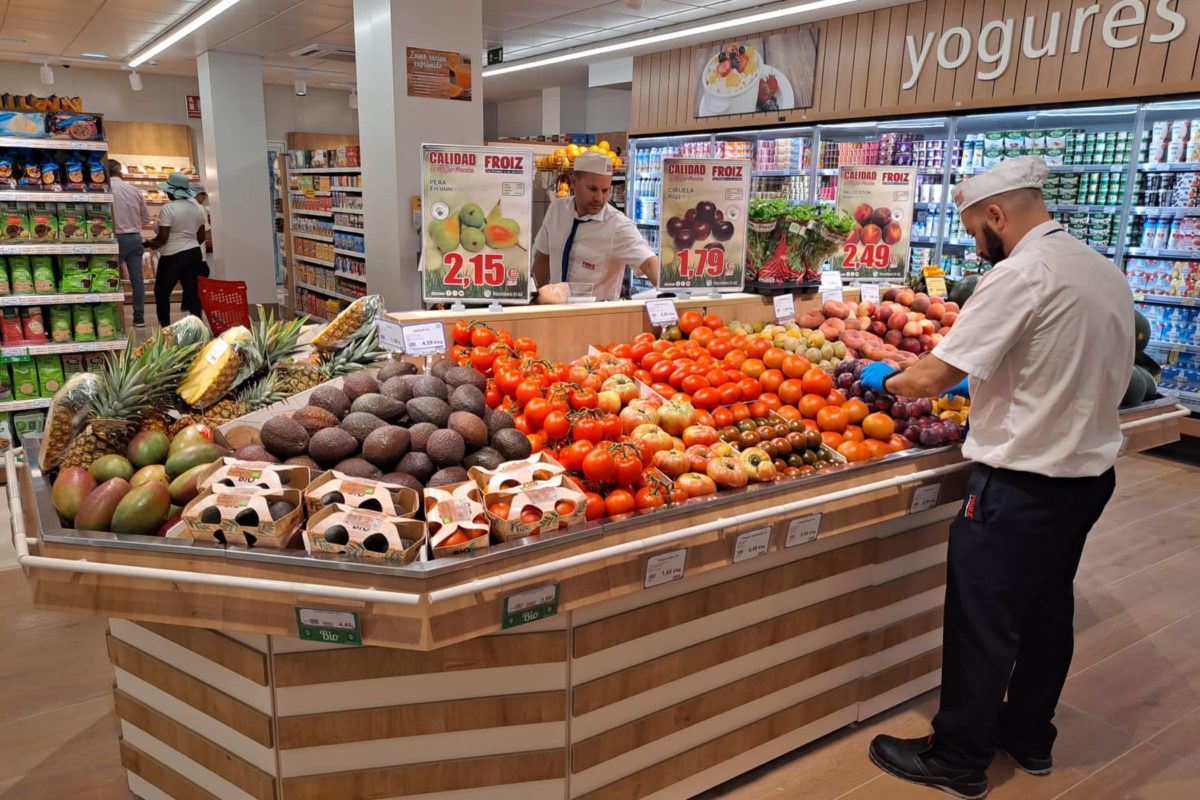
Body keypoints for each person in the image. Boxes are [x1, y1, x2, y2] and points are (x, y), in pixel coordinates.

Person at [863, 156, 1134, 800]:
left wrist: (887, 380)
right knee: (1047, 610)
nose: (973, 244)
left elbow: (934, 376)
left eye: (973, 229)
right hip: (1087, 476)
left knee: (984, 617)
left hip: (1020, 481)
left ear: (996, 216)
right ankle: (1029, 736)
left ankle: (958, 754)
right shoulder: (1101, 268)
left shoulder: (1020, 275)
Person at [532, 152, 658, 301]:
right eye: (592, 189)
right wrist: (532, 300)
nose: (599, 198)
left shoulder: (618, 225)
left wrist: (674, 300)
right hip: (554, 313)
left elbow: (649, 263)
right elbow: (543, 259)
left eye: (605, 190)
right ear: (573, 182)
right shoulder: (557, 210)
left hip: (596, 319)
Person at [143, 173, 206, 327]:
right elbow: (201, 235)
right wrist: (188, 244)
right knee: (193, 294)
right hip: (193, 253)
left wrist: (151, 244)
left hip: (172, 256)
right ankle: (197, 328)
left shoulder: (168, 208)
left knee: (162, 293)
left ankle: (165, 328)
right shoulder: (197, 208)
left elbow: (163, 237)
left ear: (171, 191)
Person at [108, 160, 150, 329]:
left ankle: (114, 319)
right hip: (134, 238)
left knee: (110, 276)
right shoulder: (134, 190)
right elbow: (146, 218)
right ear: (120, 173)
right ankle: (139, 318)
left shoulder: (105, 190)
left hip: (113, 239)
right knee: (137, 280)